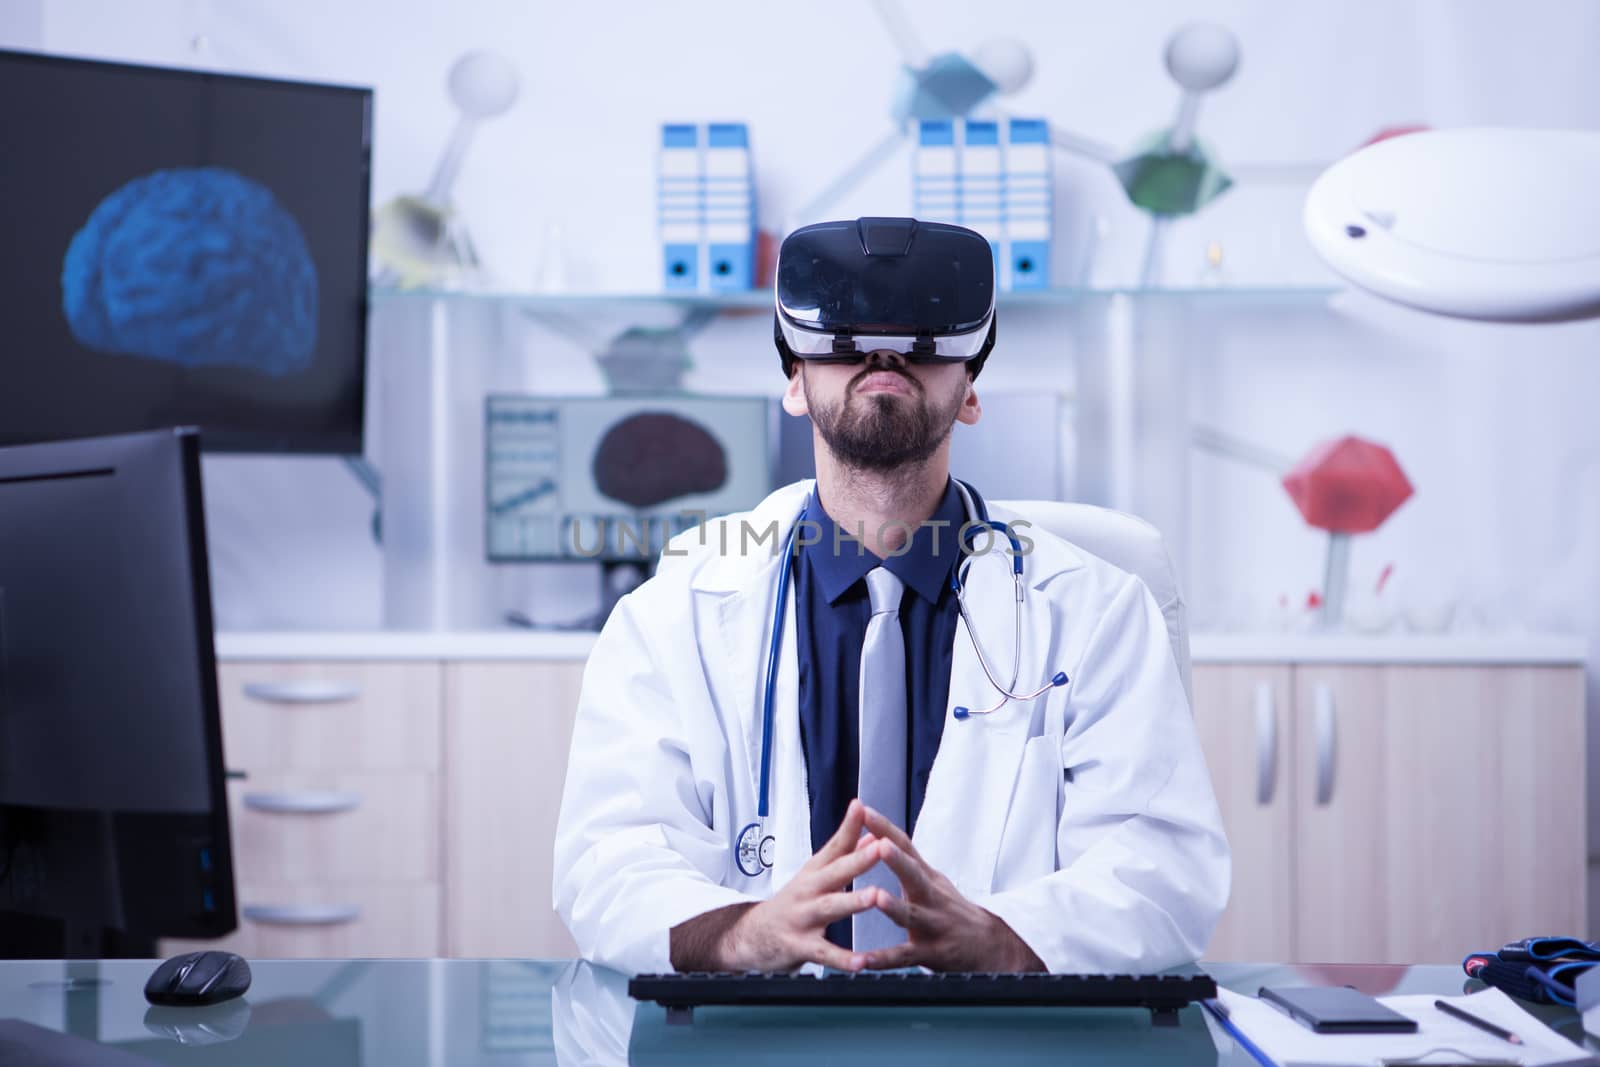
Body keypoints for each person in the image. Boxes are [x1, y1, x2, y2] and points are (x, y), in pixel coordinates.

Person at [553, 218, 1229, 976]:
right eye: (846, 336)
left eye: (920, 340)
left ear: (971, 389)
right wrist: (746, 932)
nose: (883, 354)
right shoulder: (673, 613)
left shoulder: (1096, 612)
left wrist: (999, 939)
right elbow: (607, 858)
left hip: (1003, 1045)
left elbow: (1163, 866)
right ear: (794, 385)